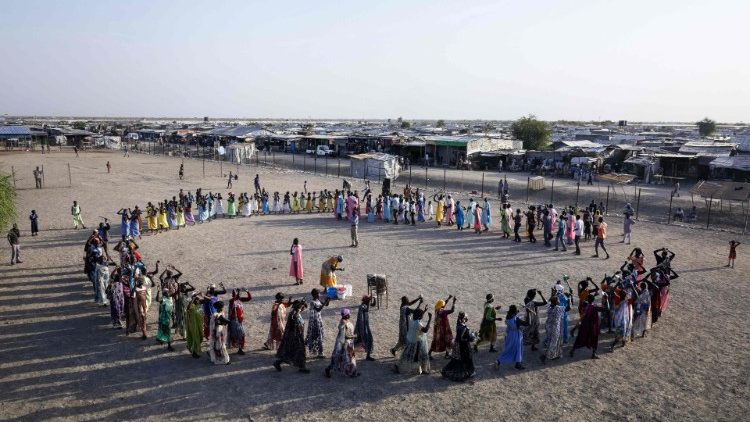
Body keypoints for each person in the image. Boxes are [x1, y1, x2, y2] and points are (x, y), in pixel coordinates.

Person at [274, 300, 310, 373]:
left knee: (292, 352)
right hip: (295, 336)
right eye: (302, 307)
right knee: (298, 351)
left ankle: (279, 362)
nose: (302, 309)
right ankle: (302, 367)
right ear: (298, 307)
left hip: (296, 336)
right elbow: (295, 325)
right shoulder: (294, 314)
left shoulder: (295, 313)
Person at [394, 306, 432, 375]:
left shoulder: (411, 319)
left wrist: (424, 311)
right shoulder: (418, 323)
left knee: (406, 355)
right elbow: (425, 330)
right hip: (417, 343)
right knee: (421, 355)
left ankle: (399, 366)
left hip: (410, 340)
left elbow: (418, 316)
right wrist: (430, 319)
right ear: (420, 317)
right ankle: (423, 370)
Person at [441, 312, 476, 381]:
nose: (467, 318)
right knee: (467, 358)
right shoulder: (464, 328)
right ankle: (470, 372)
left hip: (457, 344)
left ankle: (447, 370)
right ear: (463, 319)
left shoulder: (458, 325)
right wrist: (472, 337)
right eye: (466, 317)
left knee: (456, 359)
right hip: (463, 345)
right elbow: (462, 338)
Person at [325, 308, 359, 377]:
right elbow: (345, 336)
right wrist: (354, 336)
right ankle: (328, 369)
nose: (350, 314)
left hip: (348, 343)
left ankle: (352, 372)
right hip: (344, 344)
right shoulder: (343, 323)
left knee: (349, 359)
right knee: (340, 358)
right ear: (346, 315)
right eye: (349, 314)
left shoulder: (346, 321)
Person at [569, 295, 605, 359]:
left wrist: (575, 327)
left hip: (585, 325)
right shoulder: (594, 307)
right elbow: (604, 309)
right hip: (592, 326)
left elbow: (583, 316)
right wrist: (605, 301)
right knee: (594, 339)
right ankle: (593, 354)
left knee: (580, 338)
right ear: (593, 300)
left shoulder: (586, 306)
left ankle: (572, 351)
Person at [495, 305, 529, 370]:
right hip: (516, 336)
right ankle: (499, 361)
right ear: (514, 312)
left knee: (509, 349)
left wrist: (521, 308)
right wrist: (529, 313)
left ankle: (517, 363)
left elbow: (515, 312)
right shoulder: (516, 319)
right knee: (517, 349)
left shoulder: (508, 316)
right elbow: (527, 323)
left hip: (509, 334)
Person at [539, 295, 565, 364]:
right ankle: (544, 356)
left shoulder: (549, 306)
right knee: (554, 342)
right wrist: (569, 298)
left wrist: (542, 294)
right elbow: (569, 307)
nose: (559, 301)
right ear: (556, 302)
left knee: (551, 340)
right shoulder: (558, 308)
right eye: (558, 300)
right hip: (555, 328)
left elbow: (545, 302)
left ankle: (555, 354)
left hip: (548, 326)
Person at [305, 288, 330, 358]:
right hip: (314, 322)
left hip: (319, 320)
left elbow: (326, 305)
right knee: (317, 336)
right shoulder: (312, 302)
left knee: (319, 336)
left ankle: (319, 352)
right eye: (318, 293)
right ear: (315, 295)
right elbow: (318, 309)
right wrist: (325, 303)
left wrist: (328, 300)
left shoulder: (318, 300)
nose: (320, 295)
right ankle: (318, 352)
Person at [228, 288, 252, 355]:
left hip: (240, 321)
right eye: (238, 293)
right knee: (239, 334)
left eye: (240, 294)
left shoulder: (240, 299)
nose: (239, 294)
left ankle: (239, 347)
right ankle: (239, 348)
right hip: (235, 321)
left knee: (241, 335)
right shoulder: (231, 301)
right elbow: (234, 299)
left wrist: (247, 291)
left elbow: (249, 298)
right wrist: (238, 292)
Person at [353, 295, 375, 361]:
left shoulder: (365, 305)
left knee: (369, 340)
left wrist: (373, 299)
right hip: (362, 327)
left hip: (365, 326)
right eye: (368, 301)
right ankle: (349, 353)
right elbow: (361, 320)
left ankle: (368, 355)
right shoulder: (362, 307)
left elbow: (371, 305)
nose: (369, 302)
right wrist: (363, 331)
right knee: (358, 341)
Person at [155, 287, 175, 351]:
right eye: (167, 292)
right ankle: (169, 345)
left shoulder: (169, 299)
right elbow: (157, 299)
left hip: (168, 318)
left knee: (163, 330)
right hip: (164, 318)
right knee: (167, 331)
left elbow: (171, 310)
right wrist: (158, 291)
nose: (168, 293)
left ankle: (160, 339)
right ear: (164, 294)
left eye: (168, 292)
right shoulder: (163, 299)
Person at [185, 293, 204, 358]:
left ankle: (194, 350)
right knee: (196, 338)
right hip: (194, 326)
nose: (199, 301)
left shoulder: (198, 306)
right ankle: (194, 352)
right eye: (197, 300)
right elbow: (188, 308)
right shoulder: (192, 306)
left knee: (201, 338)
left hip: (199, 325)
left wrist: (200, 294)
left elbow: (206, 300)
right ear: (195, 300)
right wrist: (192, 299)